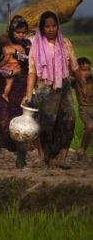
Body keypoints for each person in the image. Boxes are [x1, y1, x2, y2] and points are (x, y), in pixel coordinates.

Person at [23, 11, 79, 169]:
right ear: (41, 27)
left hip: (64, 86)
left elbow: (75, 67)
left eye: (54, 25)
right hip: (44, 88)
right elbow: (32, 72)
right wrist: (28, 95)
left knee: (69, 120)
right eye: (47, 26)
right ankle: (48, 157)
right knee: (47, 124)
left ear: (58, 26)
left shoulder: (66, 43)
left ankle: (62, 157)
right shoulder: (36, 46)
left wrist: (82, 85)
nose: (51, 29)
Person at [0, 15, 32, 168]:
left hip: (21, 88)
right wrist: (8, 73)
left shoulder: (27, 45)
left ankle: (21, 158)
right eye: (18, 32)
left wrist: (19, 55)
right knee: (3, 124)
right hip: (2, 88)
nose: (21, 35)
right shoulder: (1, 42)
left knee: (21, 124)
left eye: (24, 32)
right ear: (11, 31)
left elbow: (32, 63)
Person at [0, 33, 24, 102]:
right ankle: (5, 95)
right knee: (9, 83)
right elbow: (7, 58)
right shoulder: (12, 48)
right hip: (12, 67)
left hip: (5, 66)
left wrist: (0, 64)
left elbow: (5, 60)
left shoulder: (4, 49)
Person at [77, 57, 92, 158]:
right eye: (83, 70)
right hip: (84, 109)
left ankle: (83, 151)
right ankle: (81, 149)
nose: (87, 72)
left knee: (89, 130)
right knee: (90, 126)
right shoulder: (76, 81)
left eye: (88, 70)